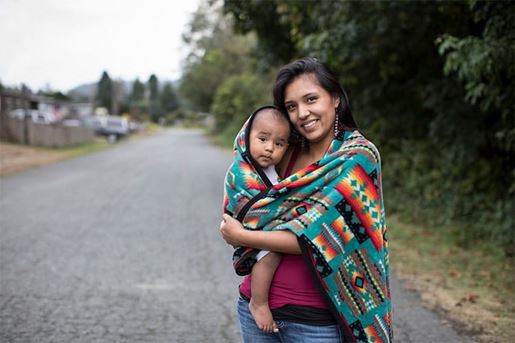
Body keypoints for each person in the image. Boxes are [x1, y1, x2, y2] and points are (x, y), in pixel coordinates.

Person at [220, 57, 392, 343]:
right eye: (291, 106)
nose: (302, 113)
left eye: (311, 99)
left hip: (315, 322)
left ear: (335, 98)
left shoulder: (356, 158)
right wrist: (243, 223)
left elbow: (324, 238)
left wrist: (243, 234)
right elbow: (244, 198)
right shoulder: (283, 149)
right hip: (254, 309)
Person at [225, 106, 291, 333]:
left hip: (262, 232)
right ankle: (259, 301)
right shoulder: (242, 169)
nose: (269, 148)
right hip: (255, 232)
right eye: (262, 139)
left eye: (279, 143)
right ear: (246, 137)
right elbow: (243, 200)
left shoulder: (272, 169)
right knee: (270, 255)